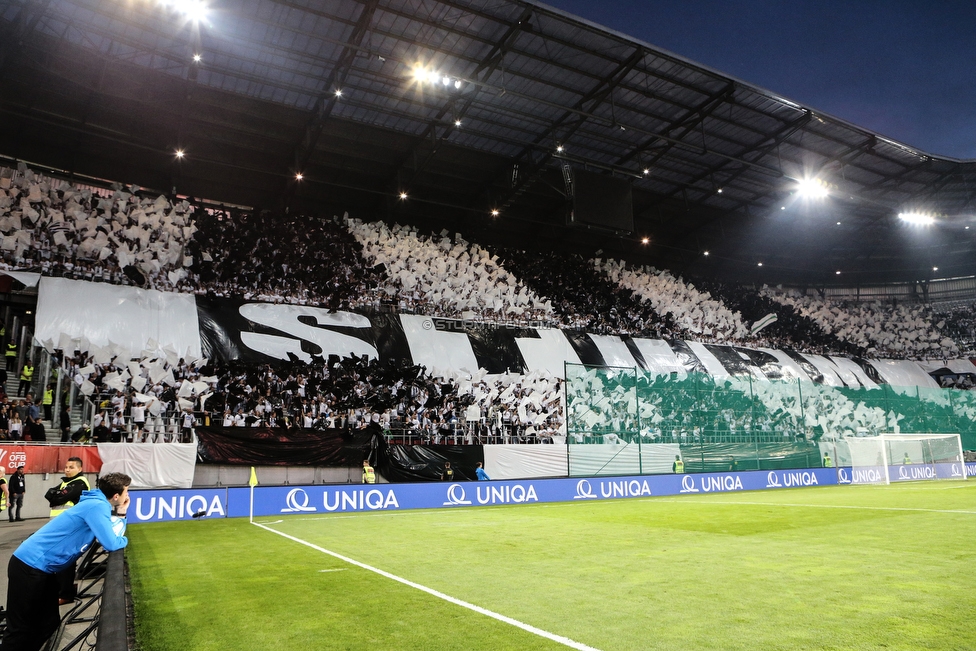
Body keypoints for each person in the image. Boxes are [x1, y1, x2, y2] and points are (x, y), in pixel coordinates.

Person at [1, 472, 130, 651]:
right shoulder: (97, 506)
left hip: (40, 569)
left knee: (48, 623)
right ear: (116, 496)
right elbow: (111, 543)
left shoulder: (96, 503)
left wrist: (121, 515)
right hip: (29, 566)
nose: (127, 496)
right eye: (127, 492)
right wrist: (124, 530)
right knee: (20, 628)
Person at [45, 457, 92, 604]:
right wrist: (57, 495)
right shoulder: (66, 482)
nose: (67, 469)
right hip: (61, 527)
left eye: (71, 467)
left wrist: (57, 495)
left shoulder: (80, 482)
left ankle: (65, 594)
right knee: (61, 559)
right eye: (66, 467)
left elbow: (57, 498)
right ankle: (65, 590)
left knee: (65, 560)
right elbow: (49, 495)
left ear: (80, 469)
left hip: (71, 527)